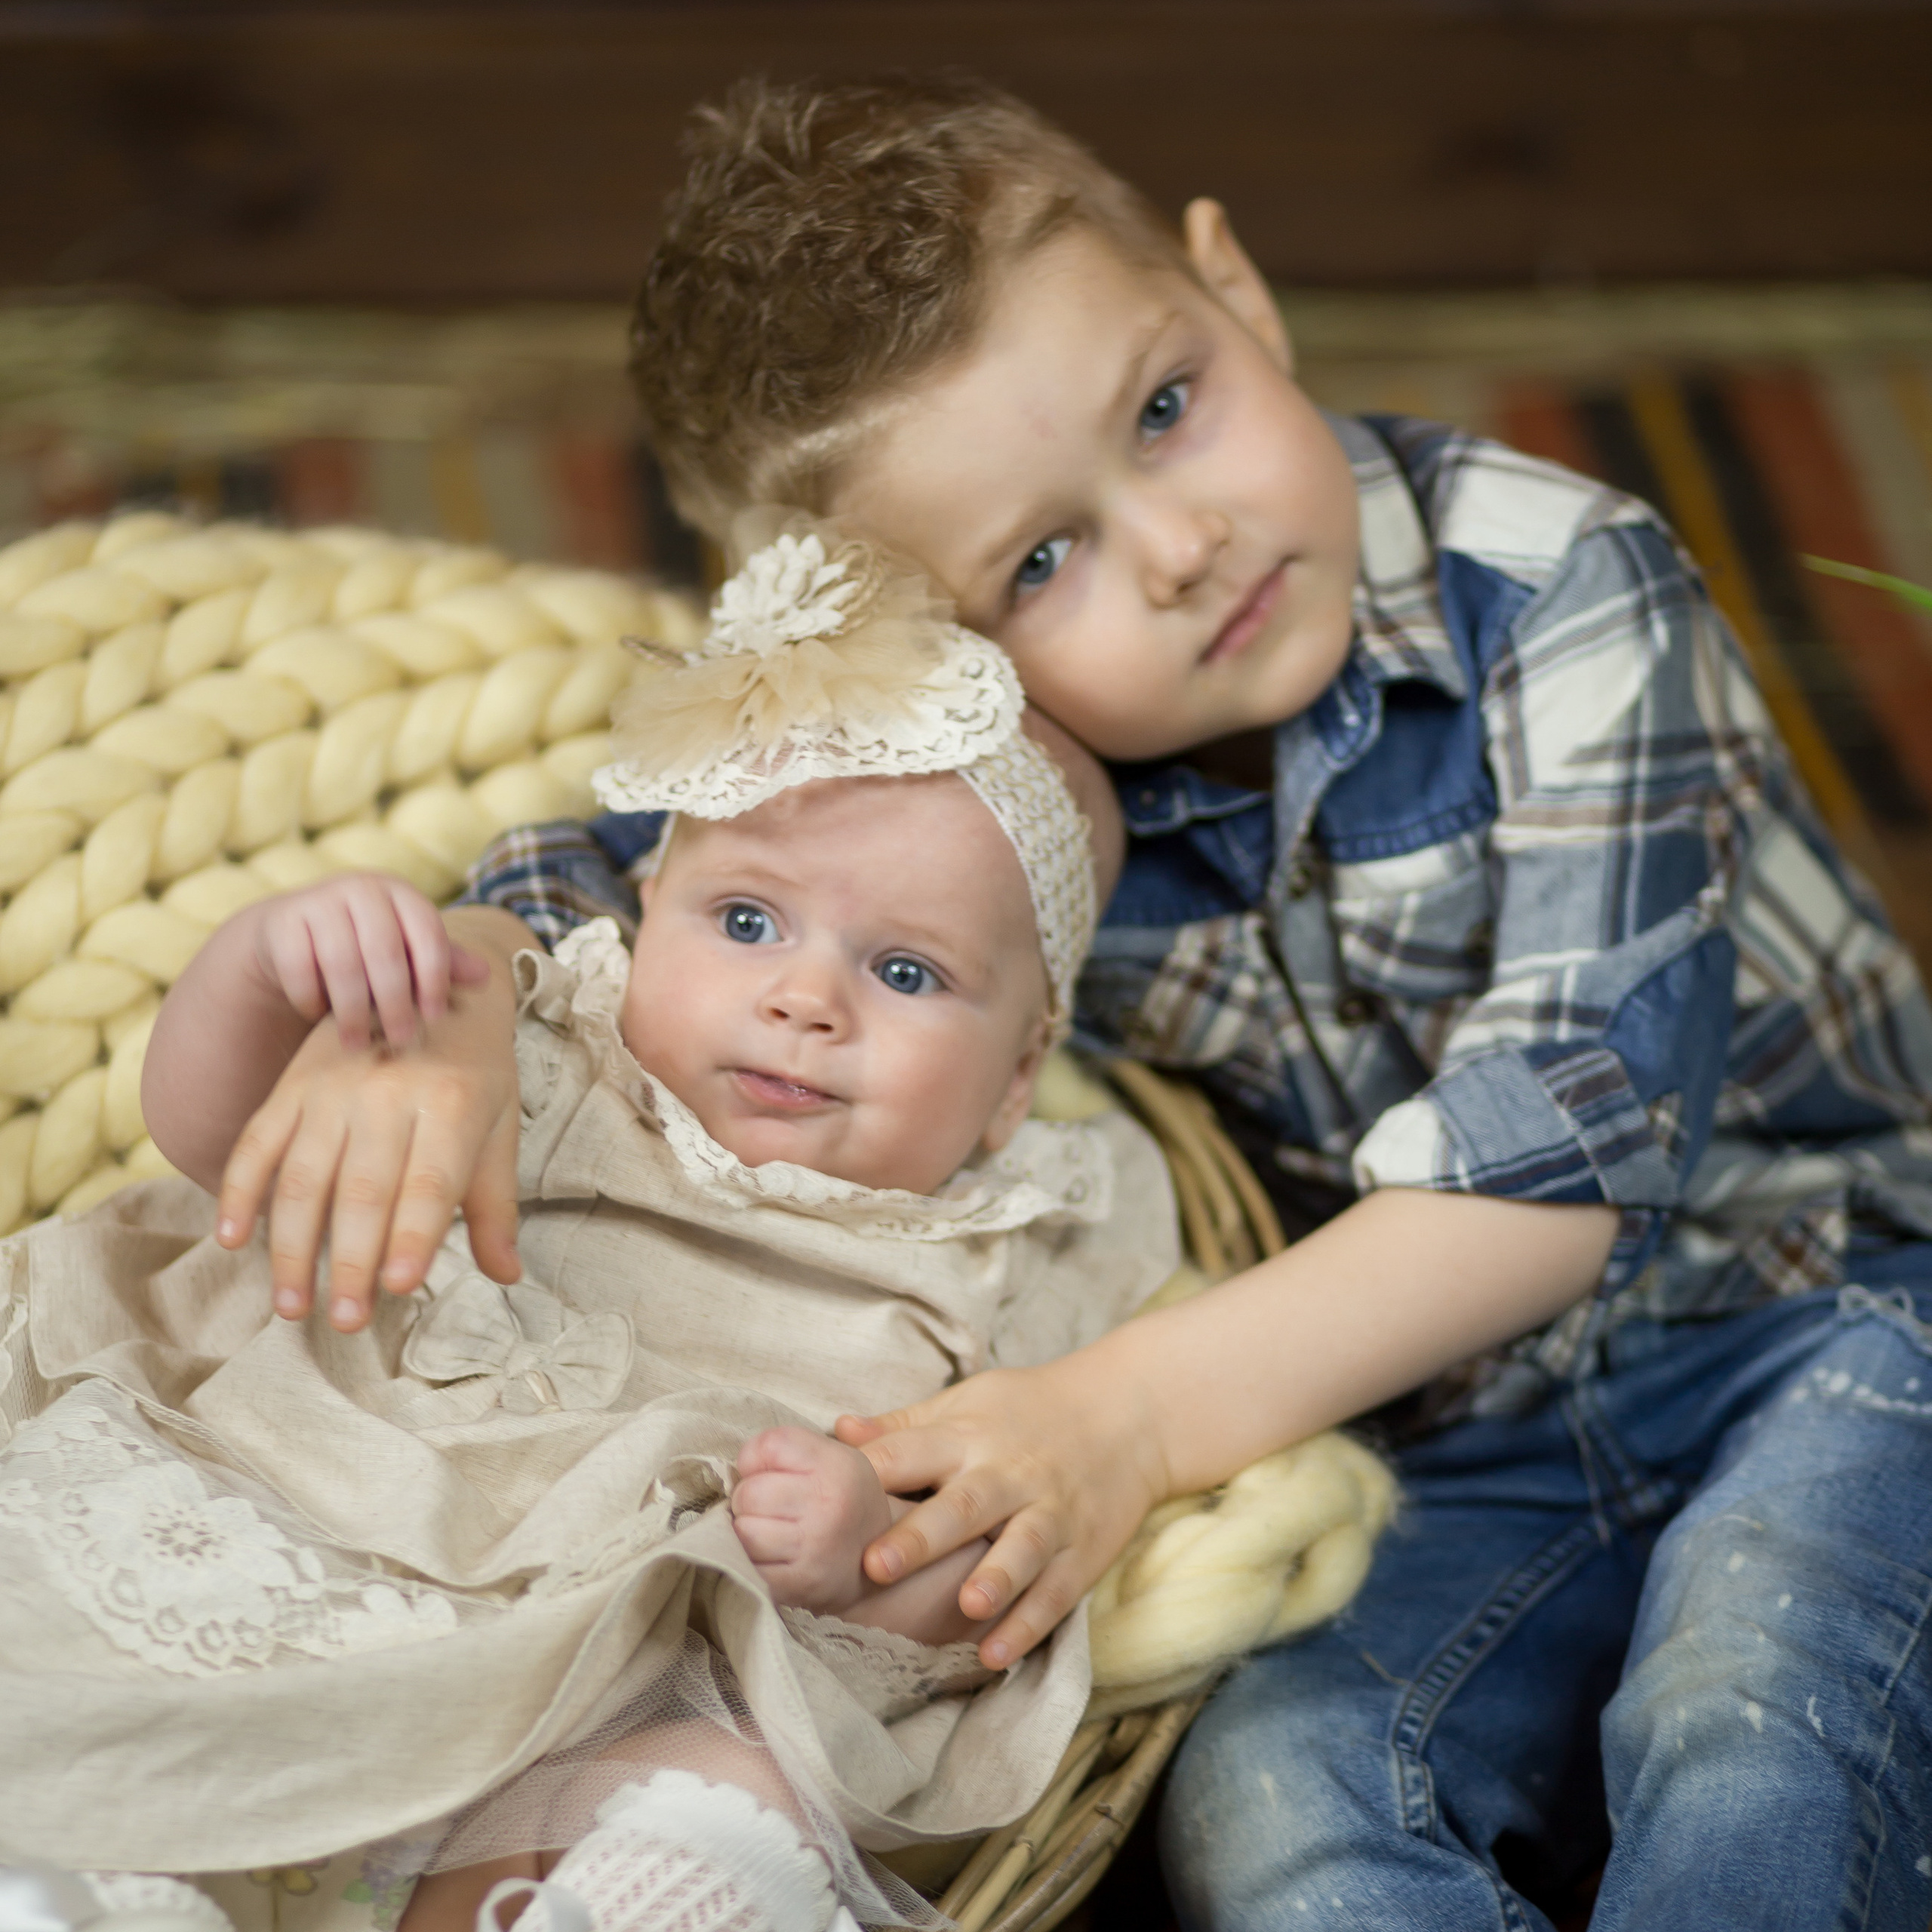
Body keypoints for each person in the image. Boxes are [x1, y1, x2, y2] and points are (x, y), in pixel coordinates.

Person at [430, 74, 1932, 1932]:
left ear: (1236, 292)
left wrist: (1116, 1424)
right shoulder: (982, 780)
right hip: (1420, 1428)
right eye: (1038, 561)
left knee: (1742, 1717)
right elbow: (627, 880)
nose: (1176, 546)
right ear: (913, 651)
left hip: (1826, 1307)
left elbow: (1550, 1181)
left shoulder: (1562, 592)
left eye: (1165, 407)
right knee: (1267, 1808)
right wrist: (460, 1005)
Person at [0, 525, 1180, 1931]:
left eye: (908, 969)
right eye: (746, 919)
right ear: (647, 908)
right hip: (291, 1529)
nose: (806, 999)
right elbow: (227, 1151)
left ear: (1016, 1080)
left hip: (581, 1709)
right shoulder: (541, 1048)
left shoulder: (999, 1257)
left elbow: (984, 1580)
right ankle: (96, 1889)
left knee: (740, 1778)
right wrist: (273, 967)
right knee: (108, 1748)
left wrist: (863, 1549)